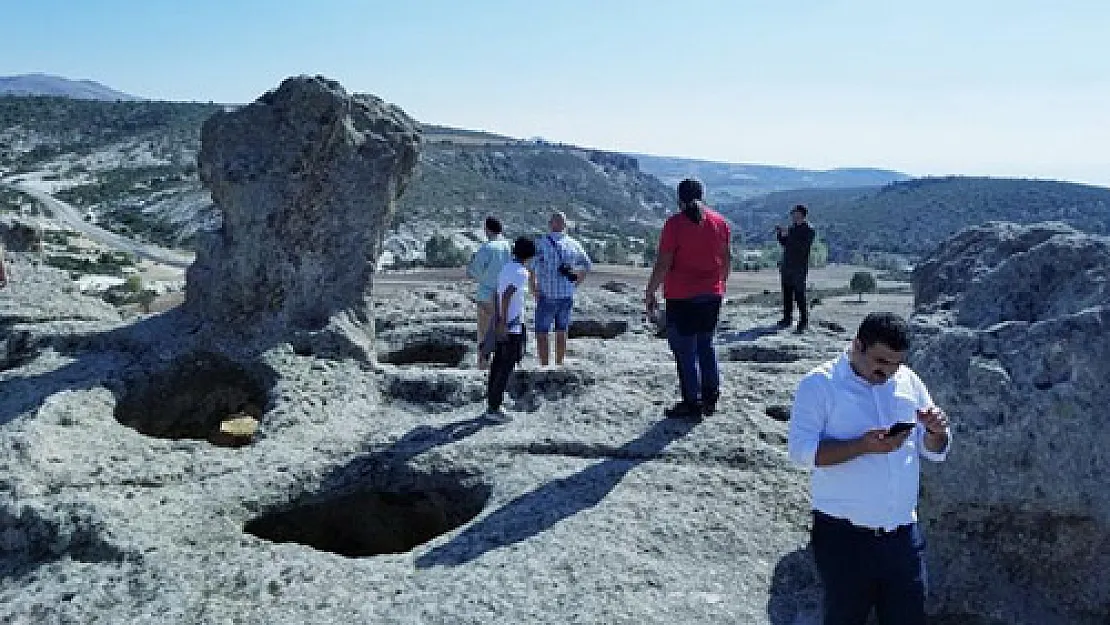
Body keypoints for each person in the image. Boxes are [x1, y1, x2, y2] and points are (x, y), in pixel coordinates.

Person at [787, 312, 951, 625]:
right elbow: (801, 452)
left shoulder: (908, 381)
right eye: (880, 361)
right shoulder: (820, 385)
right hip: (844, 540)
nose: (887, 372)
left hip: (902, 537)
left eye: (896, 364)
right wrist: (861, 446)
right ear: (857, 345)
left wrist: (935, 433)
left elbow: (933, 451)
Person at [644, 178, 732, 419]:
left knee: (685, 351)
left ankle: (691, 403)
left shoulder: (675, 224)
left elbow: (663, 263)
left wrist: (650, 291)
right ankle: (711, 396)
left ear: (679, 198)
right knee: (706, 345)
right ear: (703, 195)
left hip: (682, 296)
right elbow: (726, 260)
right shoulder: (720, 222)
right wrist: (721, 285)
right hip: (711, 294)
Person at [485, 236, 537, 422]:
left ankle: (492, 402)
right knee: (505, 366)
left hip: (504, 321)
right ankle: (495, 408)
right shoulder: (521, 272)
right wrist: (504, 323)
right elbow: (506, 296)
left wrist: (498, 318)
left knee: (497, 364)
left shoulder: (507, 268)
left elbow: (497, 294)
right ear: (530, 255)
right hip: (511, 327)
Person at [530, 211, 592, 366]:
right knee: (561, 330)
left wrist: (533, 287)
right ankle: (559, 363)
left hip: (547, 294)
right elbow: (587, 265)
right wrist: (575, 283)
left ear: (551, 224)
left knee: (542, 332)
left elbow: (531, 267)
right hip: (566, 294)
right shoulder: (574, 243)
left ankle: (544, 365)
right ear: (564, 225)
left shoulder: (542, 243)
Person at [466, 216, 512, 369]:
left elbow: (474, 271)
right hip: (505, 295)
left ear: (487, 229)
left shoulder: (487, 248)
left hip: (486, 295)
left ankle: (484, 365)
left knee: (484, 333)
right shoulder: (508, 246)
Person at [775, 204, 816, 333]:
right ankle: (787, 318)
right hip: (787, 266)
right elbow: (785, 244)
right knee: (786, 294)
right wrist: (780, 234)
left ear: (802, 215)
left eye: (796, 214)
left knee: (799, 295)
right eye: (793, 214)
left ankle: (803, 321)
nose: (793, 216)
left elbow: (801, 247)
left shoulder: (809, 230)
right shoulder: (792, 228)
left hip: (799, 268)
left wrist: (789, 234)